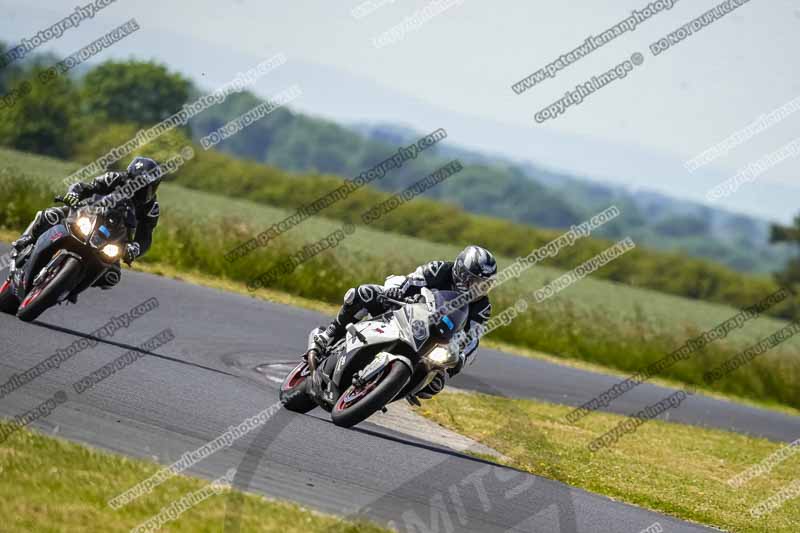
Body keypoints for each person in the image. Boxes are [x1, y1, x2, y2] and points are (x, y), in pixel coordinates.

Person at [313, 245, 497, 403]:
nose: (478, 288)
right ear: (460, 272)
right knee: (363, 293)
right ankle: (328, 335)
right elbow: (412, 280)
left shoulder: (482, 307)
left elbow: (473, 337)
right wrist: (397, 292)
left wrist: (460, 359)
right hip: (407, 310)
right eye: (474, 281)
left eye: (484, 284)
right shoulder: (439, 269)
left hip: (437, 338)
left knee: (435, 384)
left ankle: (387, 391)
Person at [11, 156, 162, 293]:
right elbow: (85, 187)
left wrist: (135, 248)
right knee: (49, 215)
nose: (141, 190)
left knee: (112, 276)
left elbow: (145, 237)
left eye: (147, 186)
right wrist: (73, 195)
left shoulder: (151, 208)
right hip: (85, 214)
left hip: (113, 239)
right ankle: (27, 240)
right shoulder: (114, 178)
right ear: (129, 177)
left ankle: (70, 286)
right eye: (138, 184)